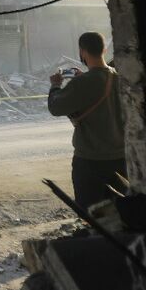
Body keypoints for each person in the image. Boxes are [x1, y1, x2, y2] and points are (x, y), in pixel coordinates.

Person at [48, 32, 126, 211]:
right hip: (121, 158)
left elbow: (56, 107)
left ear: (82, 52)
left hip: (91, 161)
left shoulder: (83, 82)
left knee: (91, 212)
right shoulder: (119, 76)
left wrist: (55, 86)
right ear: (104, 50)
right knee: (121, 210)